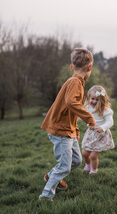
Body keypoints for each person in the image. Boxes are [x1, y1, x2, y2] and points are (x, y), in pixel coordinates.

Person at [39, 48, 96, 200]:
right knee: (64, 165)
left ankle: (51, 176)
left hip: (69, 130)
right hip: (60, 131)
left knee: (76, 161)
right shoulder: (75, 82)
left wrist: (76, 130)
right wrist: (89, 118)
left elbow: (71, 111)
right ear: (90, 67)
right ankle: (45, 195)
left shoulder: (76, 82)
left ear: (72, 67)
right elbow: (72, 104)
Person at [82, 85, 115, 174]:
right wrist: (88, 123)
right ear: (88, 98)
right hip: (90, 134)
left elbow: (110, 122)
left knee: (93, 155)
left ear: (102, 100)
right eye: (92, 98)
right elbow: (84, 117)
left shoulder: (105, 110)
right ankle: (88, 165)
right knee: (85, 153)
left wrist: (103, 127)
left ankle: (93, 170)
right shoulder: (87, 108)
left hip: (101, 135)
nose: (94, 101)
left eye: (97, 99)